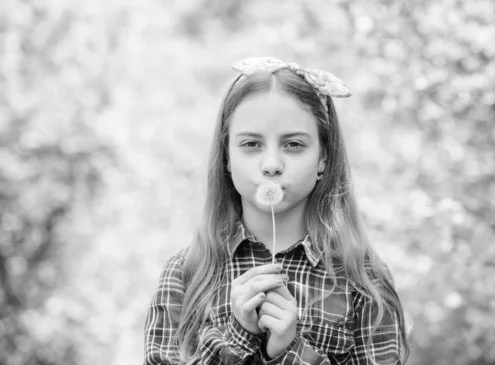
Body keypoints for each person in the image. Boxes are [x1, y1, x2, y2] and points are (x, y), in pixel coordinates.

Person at [144, 57, 410, 364]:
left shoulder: (364, 279)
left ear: (323, 156)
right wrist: (240, 335)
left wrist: (288, 349)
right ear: (227, 157)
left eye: (294, 144)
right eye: (252, 144)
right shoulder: (186, 273)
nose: (271, 165)